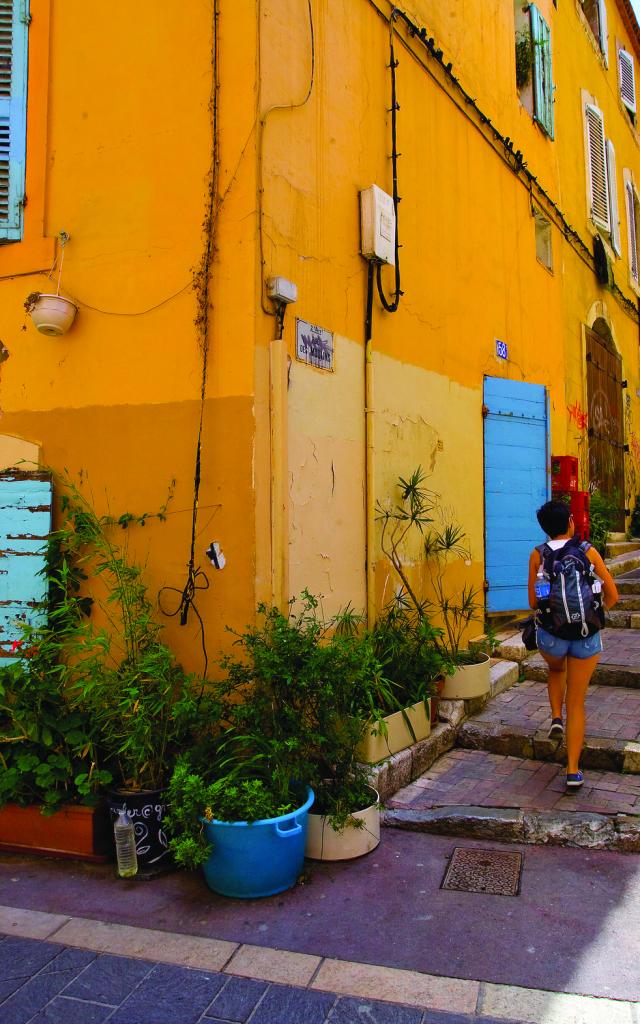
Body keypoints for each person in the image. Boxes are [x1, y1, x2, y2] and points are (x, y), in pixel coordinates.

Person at [528, 500, 618, 789]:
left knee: (556, 671)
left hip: (552, 638)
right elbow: (613, 595)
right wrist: (594, 610)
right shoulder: (587, 550)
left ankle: (555, 716)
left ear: (544, 528)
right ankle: (572, 770)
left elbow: (533, 602)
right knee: (577, 702)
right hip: (585, 636)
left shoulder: (537, 554)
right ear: (570, 521)